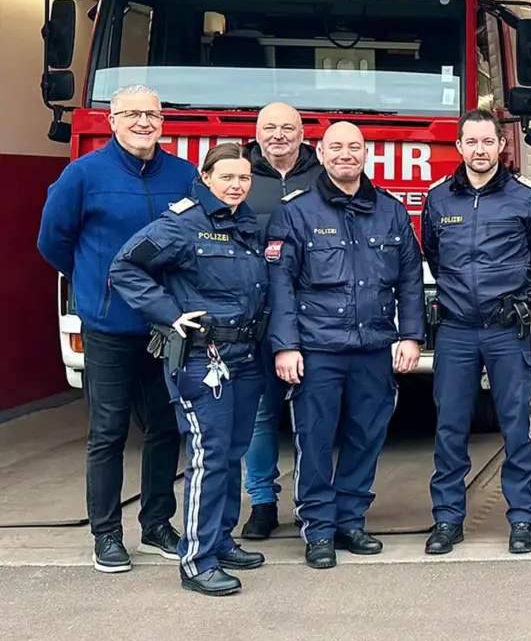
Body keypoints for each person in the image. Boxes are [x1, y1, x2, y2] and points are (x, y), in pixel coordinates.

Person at [36, 84, 193, 573]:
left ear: (163, 121)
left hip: (166, 323)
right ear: (112, 121)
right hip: (108, 325)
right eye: (131, 114)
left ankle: (157, 526)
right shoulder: (82, 175)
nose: (143, 122)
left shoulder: (185, 175)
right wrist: (95, 286)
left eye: (152, 114)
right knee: (107, 432)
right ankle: (106, 534)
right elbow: (53, 242)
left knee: (166, 428)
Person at [107, 143, 269, 596]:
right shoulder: (182, 224)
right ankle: (196, 560)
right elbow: (125, 267)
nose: (236, 185)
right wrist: (167, 312)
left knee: (232, 452)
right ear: (206, 177)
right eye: (227, 178)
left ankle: (219, 538)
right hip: (203, 358)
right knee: (209, 456)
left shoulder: (245, 224)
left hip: (244, 358)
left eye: (244, 179)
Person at [265, 121, 425, 569]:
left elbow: (410, 278)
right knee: (314, 439)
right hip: (317, 349)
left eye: (354, 147)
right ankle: (317, 528)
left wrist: (410, 335)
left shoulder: (391, 211)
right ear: (320, 152)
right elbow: (281, 285)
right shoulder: (295, 212)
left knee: (367, 434)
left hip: (374, 346)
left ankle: (350, 520)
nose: (345, 155)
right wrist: (285, 346)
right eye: (336, 147)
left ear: (365, 153)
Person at [420, 109, 531, 556]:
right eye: (471, 142)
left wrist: (510, 298)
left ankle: (521, 519)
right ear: (459, 147)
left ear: (502, 146)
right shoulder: (439, 199)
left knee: (516, 427)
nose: (479, 150)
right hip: (457, 331)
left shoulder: (527, 198)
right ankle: (447, 520)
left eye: (487, 142)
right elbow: (435, 257)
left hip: (506, 330)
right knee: (450, 428)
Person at [240, 102, 323, 541]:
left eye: (287, 128)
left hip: (314, 318)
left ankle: (315, 503)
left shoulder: (321, 176)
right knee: (258, 414)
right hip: (255, 316)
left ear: (302, 132)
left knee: (315, 414)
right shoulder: (238, 176)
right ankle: (263, 502)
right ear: (256, 133)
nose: (278, 135)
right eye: (269, 127)